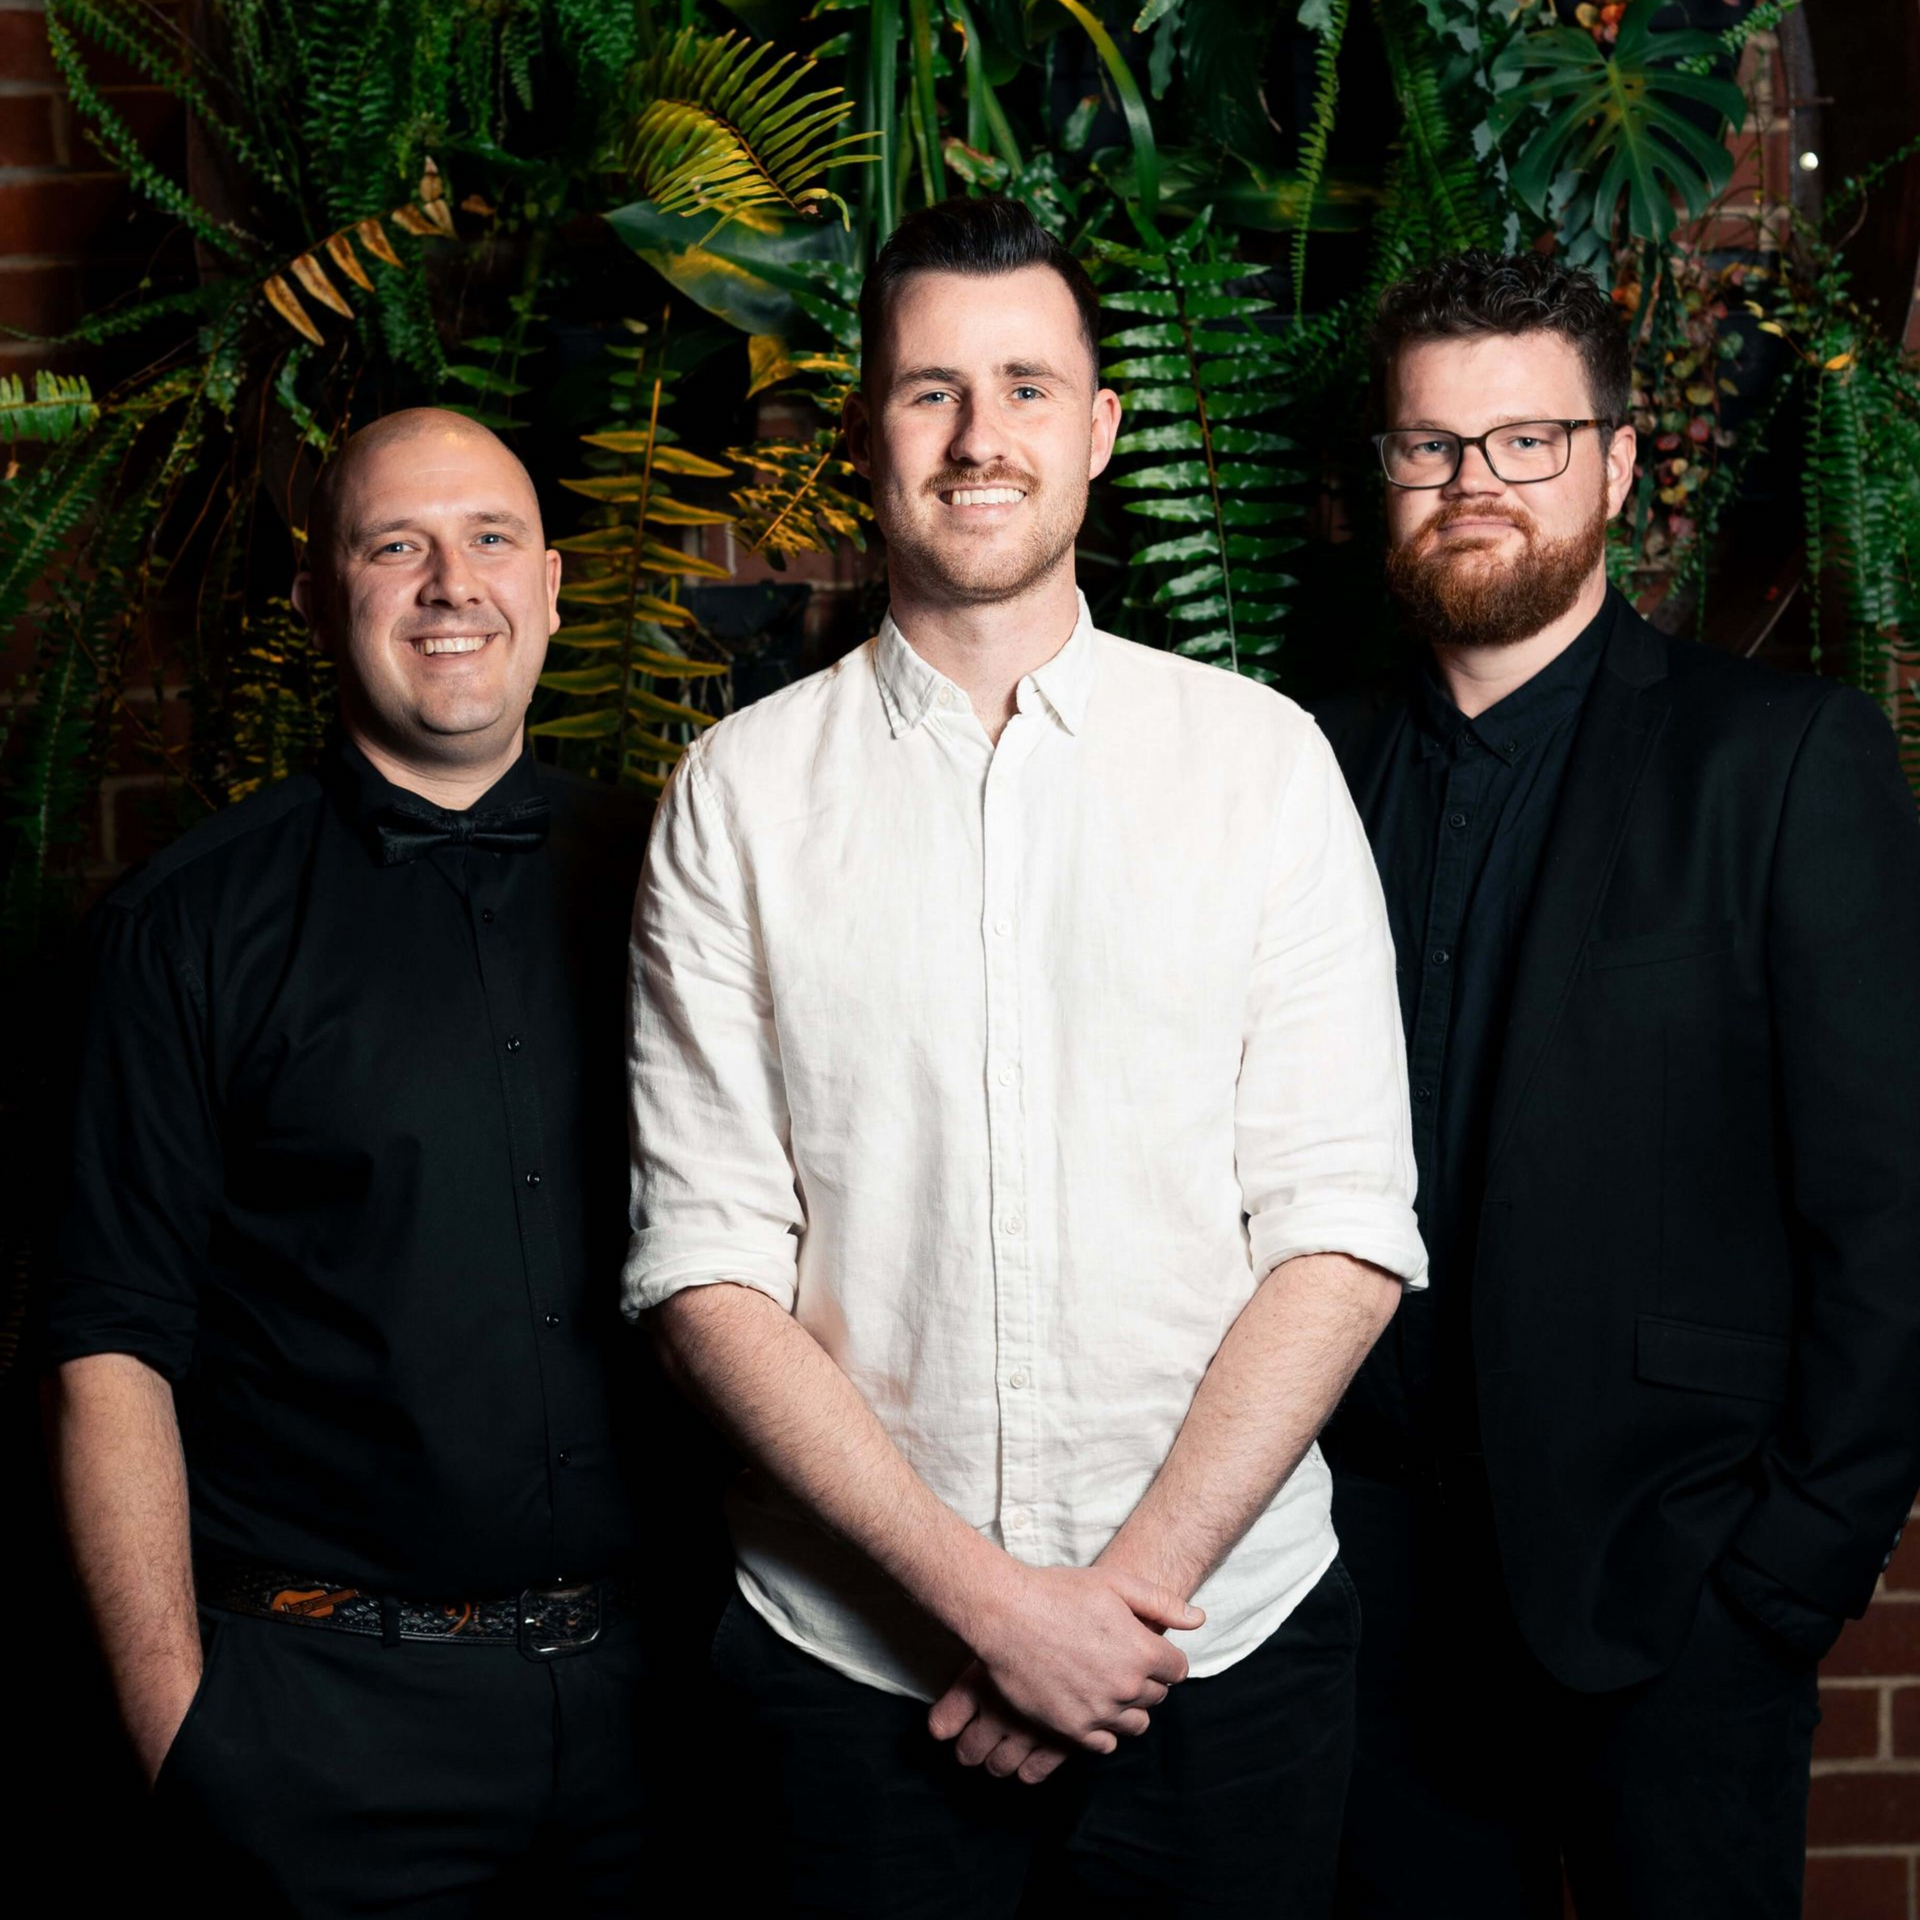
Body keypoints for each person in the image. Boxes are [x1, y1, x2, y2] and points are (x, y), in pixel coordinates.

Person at [625, 193, 1426, 1918]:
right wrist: (992, 1612)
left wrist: (1104, 1619)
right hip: (852, 1675)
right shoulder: (739, 799)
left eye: (1027, 387)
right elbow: (704, 1271)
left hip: (1220, 1660)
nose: (980, 436)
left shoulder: (1263, 768)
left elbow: (1344, 1232)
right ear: (866, 432)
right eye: (932, 391)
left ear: (1102, 429)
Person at [1311, 250, 1920, 1919]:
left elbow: (1892, 1209)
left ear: (1618, 463)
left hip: (1675, 1597)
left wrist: (1785, 1576)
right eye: (1431, 445)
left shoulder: (1779, 761)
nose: (1476, 484)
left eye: (1528, 440)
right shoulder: (1303, 765)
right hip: (1366, 1603)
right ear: (1383, 475)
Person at [42, 409, 668, 1916]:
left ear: (553, 588)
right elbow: (108, 1349)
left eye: (490, 539)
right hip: (323, 1732)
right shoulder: (183, 930)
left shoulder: (678, 881)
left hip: (663, 1726)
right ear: (321, 601)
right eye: (397, 547)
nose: (452, 585)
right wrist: (184, 1736)